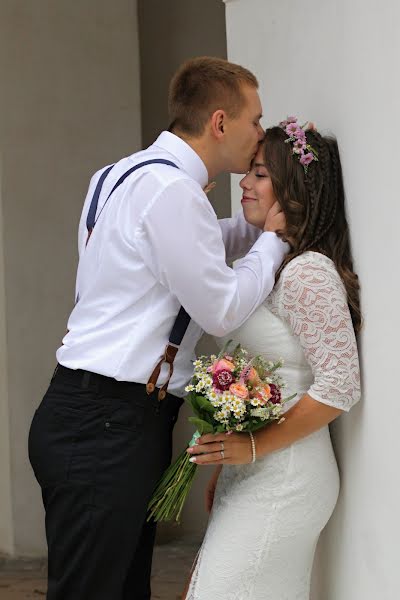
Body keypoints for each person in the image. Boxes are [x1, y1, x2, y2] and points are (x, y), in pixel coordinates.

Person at [28, 57, 288, 600]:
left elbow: (187, 252)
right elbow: (221, 308)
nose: (260, 135)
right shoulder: (173, 193)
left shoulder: (120, 175)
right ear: (220, 123)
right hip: (107, 425)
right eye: (255, 120)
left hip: (94, 415)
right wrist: (276, 241)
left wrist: (267, 215)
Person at [184, 118, 361, 600]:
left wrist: (256, 448)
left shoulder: (308, 273)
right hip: (249, 469)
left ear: (294, 189)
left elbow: (340, 384)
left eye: (259, 174)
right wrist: (230, 463)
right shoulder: (266, 266)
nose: (244, 182)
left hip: (286, 477)